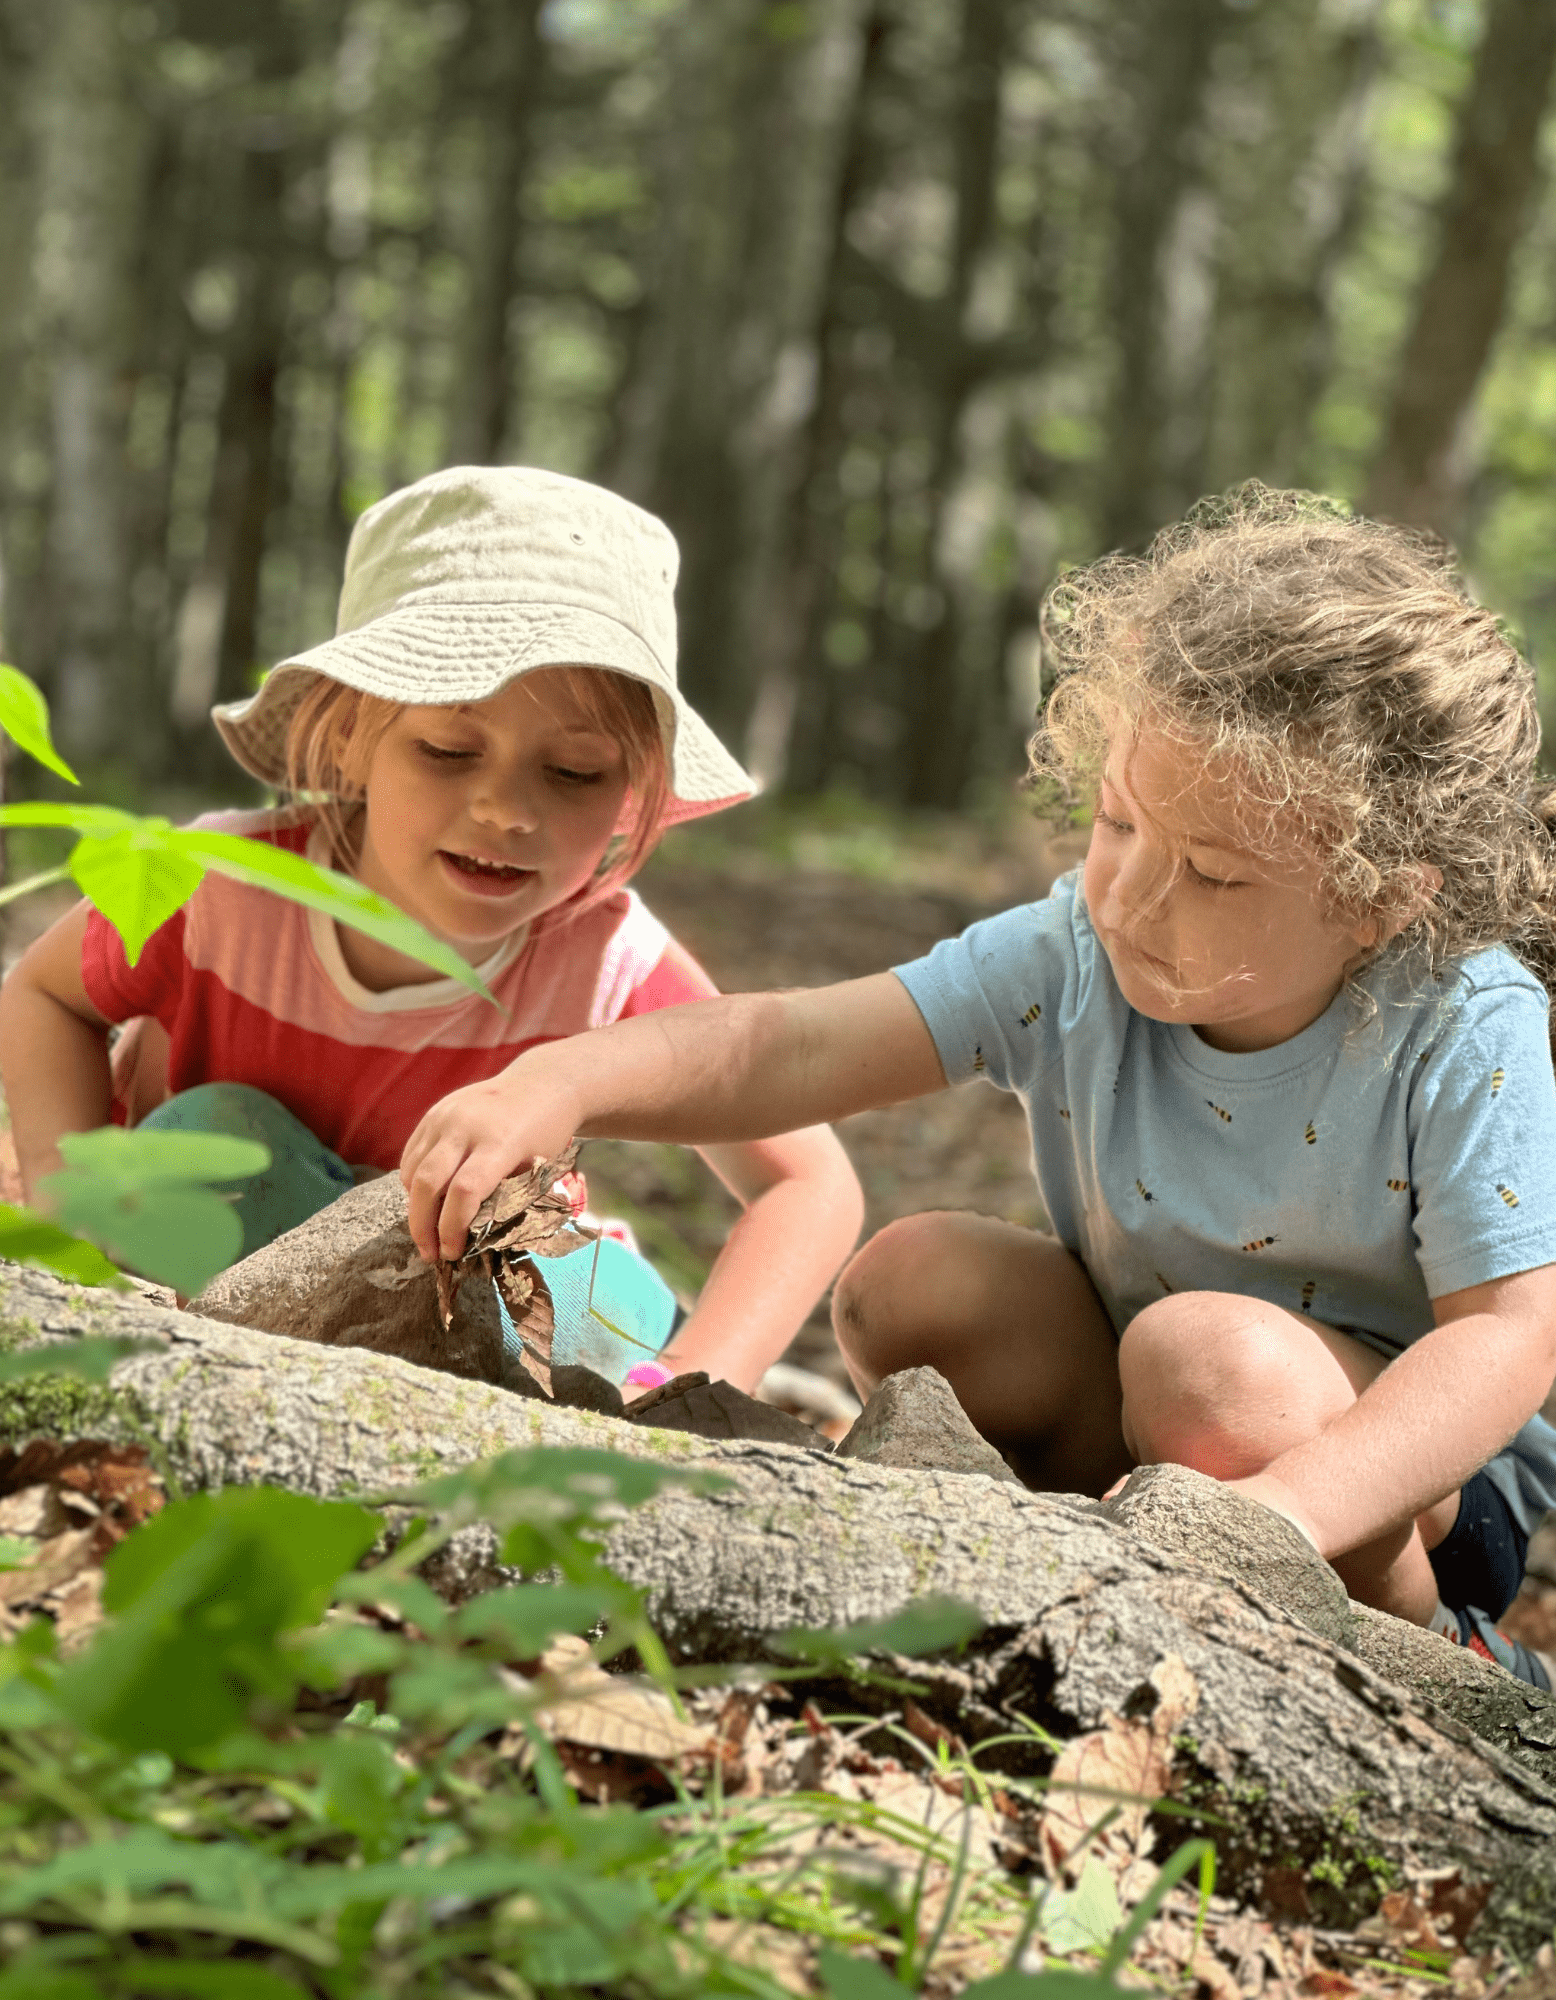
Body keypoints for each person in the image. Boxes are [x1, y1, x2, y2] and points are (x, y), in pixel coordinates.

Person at [402, 485, 1556, 1684]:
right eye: (1116, 824)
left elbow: (1507, 1344)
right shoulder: (1078, 951)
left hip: (1398, 1478)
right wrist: (567, 1075)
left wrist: (1278, 1511)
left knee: (1210, 1366)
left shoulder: (1458, 1020)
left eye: (1211, 874)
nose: (1129, 896)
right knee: (913, 1281)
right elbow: (791, 1048)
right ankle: (1065, 1568)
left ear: (1379, 896)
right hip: (1137, 1392)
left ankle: (1436, 1659)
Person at [0, 464, 863, 1395]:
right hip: (226, 1246)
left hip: (471, 1298)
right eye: (450, 751)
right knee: (217, 1138)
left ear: (631, 792)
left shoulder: (608, 962)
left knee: (578, 1287)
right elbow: (46, 993)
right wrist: (60, 1197)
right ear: (348, 739)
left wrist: (702, 1378)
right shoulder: (221, 892)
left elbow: (808, 1185)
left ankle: (678, 1375)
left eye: (573, 773)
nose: (503, 809)